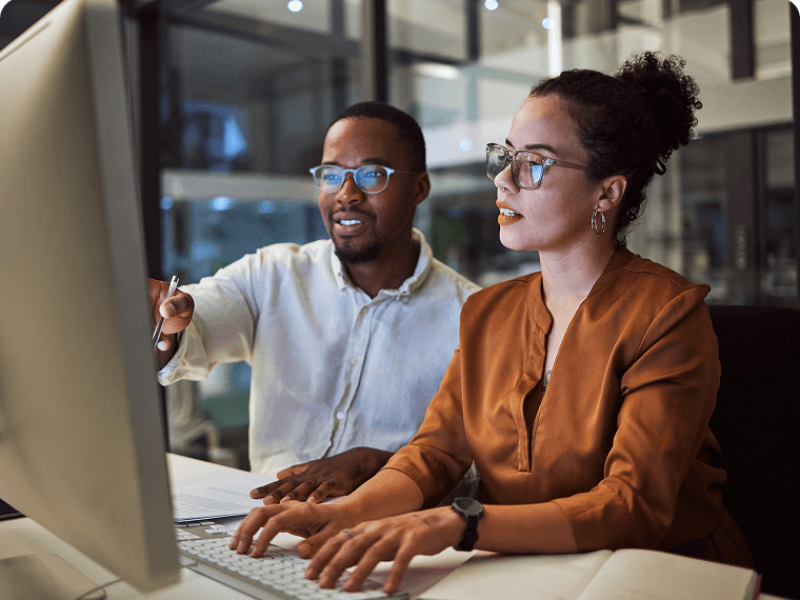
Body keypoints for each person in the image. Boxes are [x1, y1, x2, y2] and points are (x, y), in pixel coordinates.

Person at [228, 52, 755, 594]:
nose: (504, 179)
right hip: (518, 568)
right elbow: (435, 453)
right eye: (505, 156)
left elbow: (633, 504)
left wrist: (461, 523)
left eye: (535, 161)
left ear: (607, 192)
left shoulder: (666, 314)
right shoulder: (488, 312)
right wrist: (347, 514)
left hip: (656, 574)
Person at [151, 101, 480, 502]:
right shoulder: (271, 274)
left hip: (389, 534)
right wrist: (168, 318)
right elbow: (197, 324)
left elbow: (484, 469)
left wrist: (383, 465)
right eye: (331, 175)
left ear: (419, 189)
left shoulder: (473, 316)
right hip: (268, 520)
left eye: (372, 175)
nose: (346, 194)